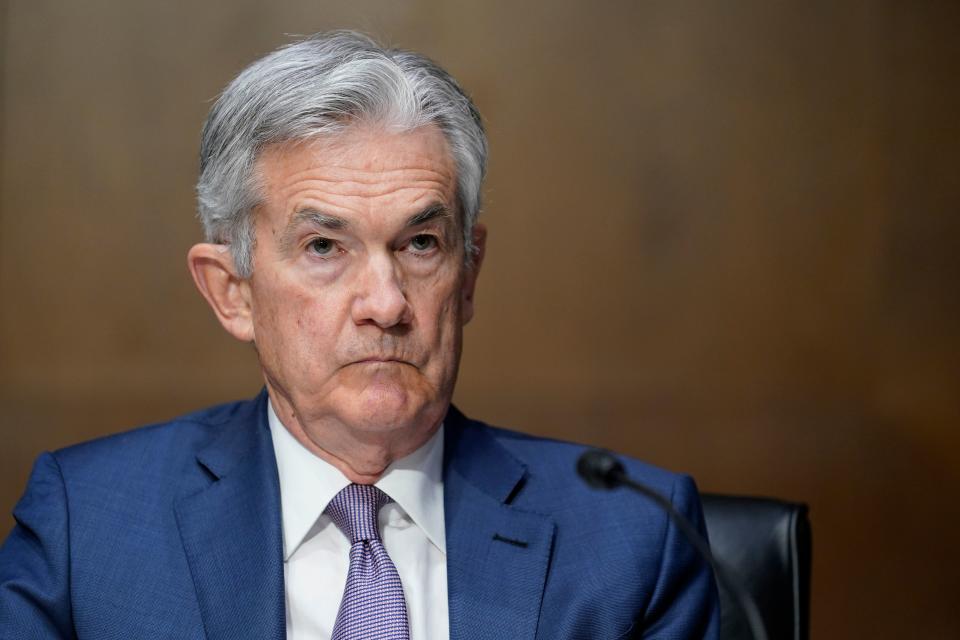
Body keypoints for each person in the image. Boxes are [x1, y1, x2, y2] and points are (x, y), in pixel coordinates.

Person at [0, 31, 719, 639]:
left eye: (420, 244)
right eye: (323, 247)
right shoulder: (84, 529)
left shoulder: (630, 542)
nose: (385, 303)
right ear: (233, 292)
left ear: (467, 277)